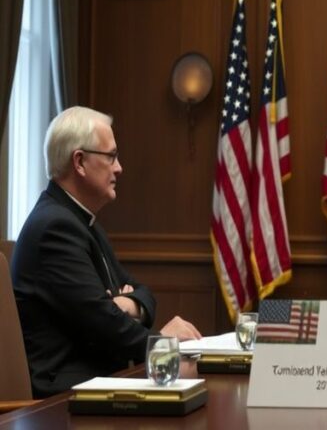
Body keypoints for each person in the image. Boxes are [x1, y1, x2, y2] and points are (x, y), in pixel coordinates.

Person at [11, 107, 201, 398]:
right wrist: (163, 342)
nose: (119, 167)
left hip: (98, 384)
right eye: (110, 156)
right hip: (62, 400)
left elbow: (143, 292)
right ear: (80, 162)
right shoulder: (55, 227)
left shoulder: (82, 222)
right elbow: (104, 323)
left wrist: (128, 304)